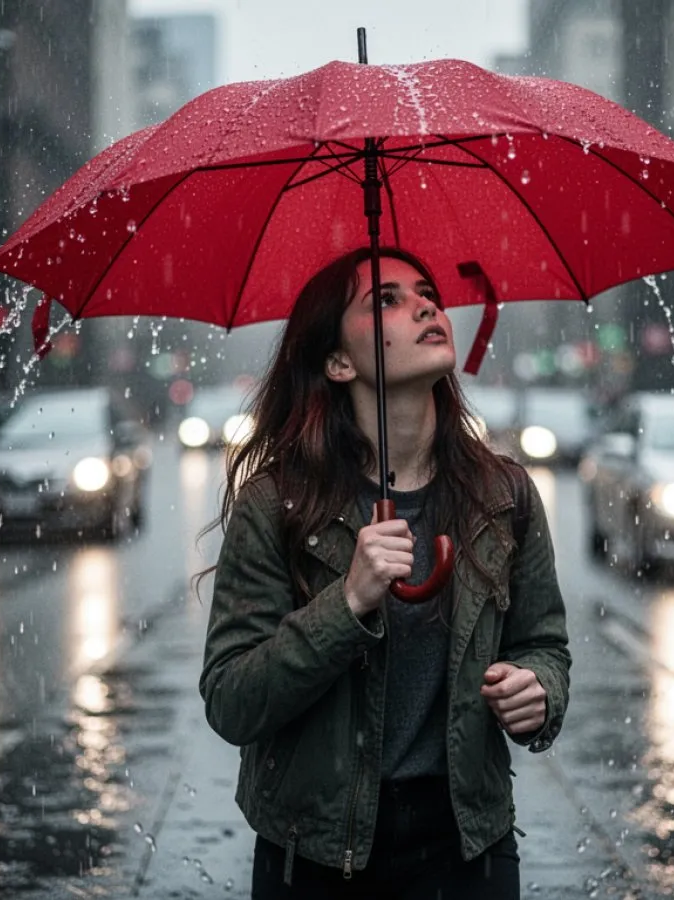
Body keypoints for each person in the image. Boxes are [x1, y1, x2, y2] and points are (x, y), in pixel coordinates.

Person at [198, 247, 571, 898]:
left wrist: (538, 692)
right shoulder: (277, 503)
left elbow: (545, 646)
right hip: (314, 853)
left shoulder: (503, 496)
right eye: (386, 301)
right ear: (338, 362)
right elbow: (233, 700)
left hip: (466, 846)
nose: (428, 304)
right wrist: (347, 604)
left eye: (427, 292)